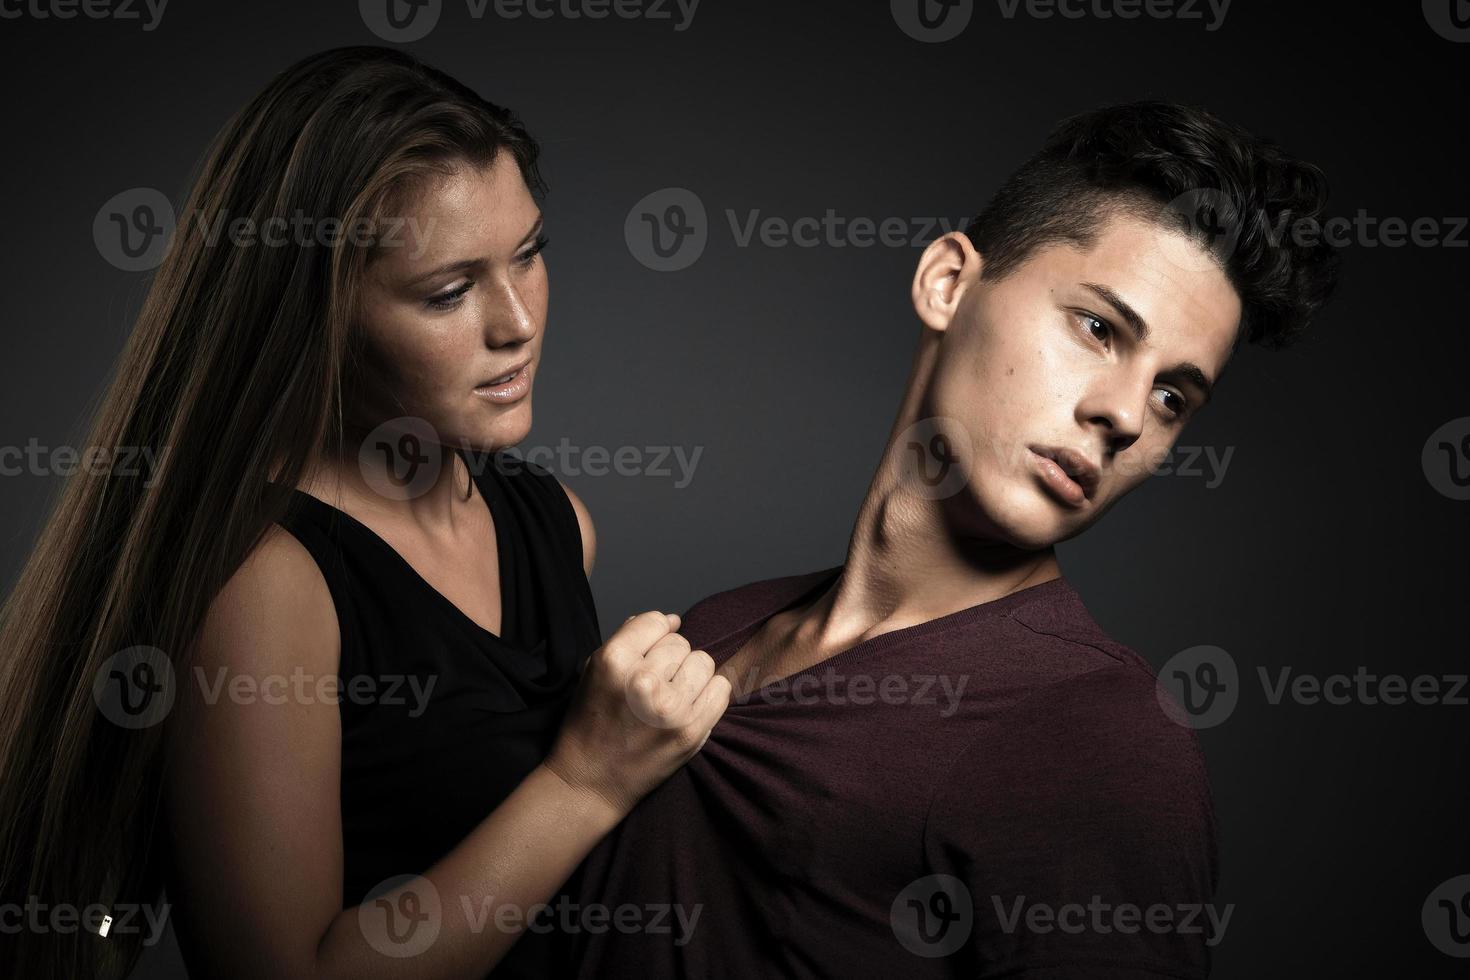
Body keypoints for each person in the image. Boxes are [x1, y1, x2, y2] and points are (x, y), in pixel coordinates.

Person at [0, 46, 729, 980]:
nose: (517, 321)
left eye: (530, 253)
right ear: (319, 313)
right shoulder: (267, 584)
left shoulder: (556, 525)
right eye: (450, 290)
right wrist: (587, 779)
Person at [564, 101, 1340, 978]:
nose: (1123, 414)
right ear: (947, 283)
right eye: (1097, 329)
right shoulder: (711, 631)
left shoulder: (1098, 744)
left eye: (1173, 399)